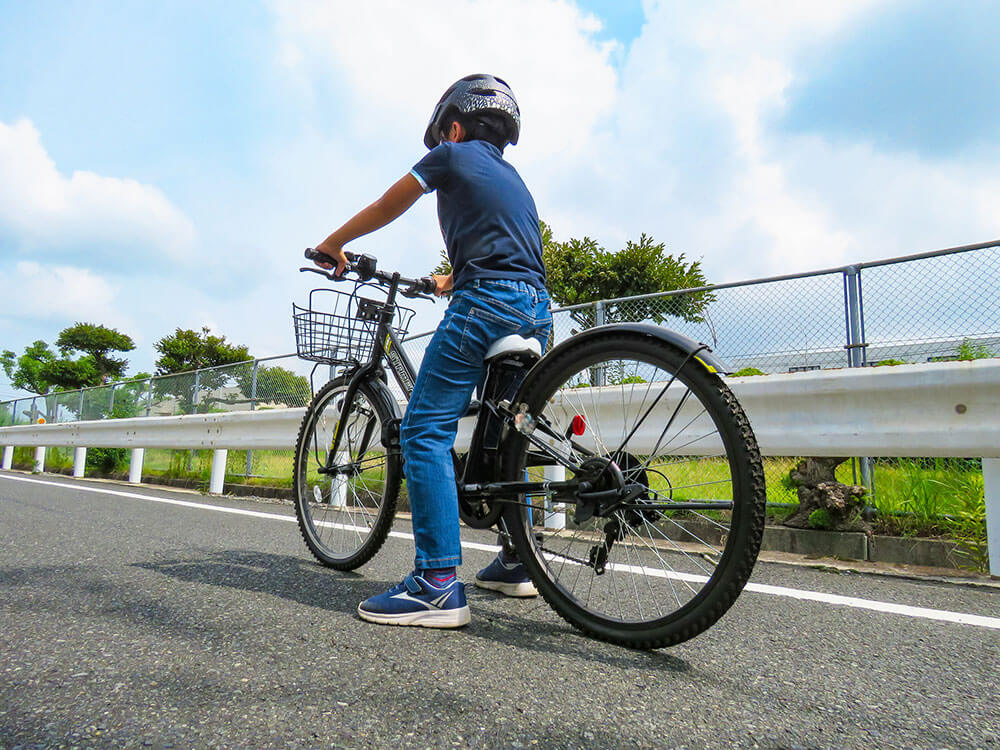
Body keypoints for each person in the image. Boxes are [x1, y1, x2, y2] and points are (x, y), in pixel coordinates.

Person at [311, 74, 551, 628]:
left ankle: (437, 584)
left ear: (456, 126)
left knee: (423, 430)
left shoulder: (450, 155)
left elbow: (388, 202)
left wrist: (335, 243)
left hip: (486, 303)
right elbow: (505, 249)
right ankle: (519, 560)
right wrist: (450, 278)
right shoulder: (512, 177)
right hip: (536, 305)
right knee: (509, 432)